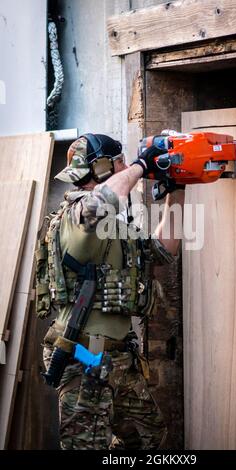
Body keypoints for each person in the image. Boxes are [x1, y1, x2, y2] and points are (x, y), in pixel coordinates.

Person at [37, 133, 185, 450]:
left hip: (118, 358)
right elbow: (99, 203)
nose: (124, 168)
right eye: (119, 161)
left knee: (147, 437)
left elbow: (163, 251)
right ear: (102, 167)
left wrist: (177, 188)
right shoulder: (76, 217)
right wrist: (141, 165)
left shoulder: (111, 224)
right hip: (83, 356)